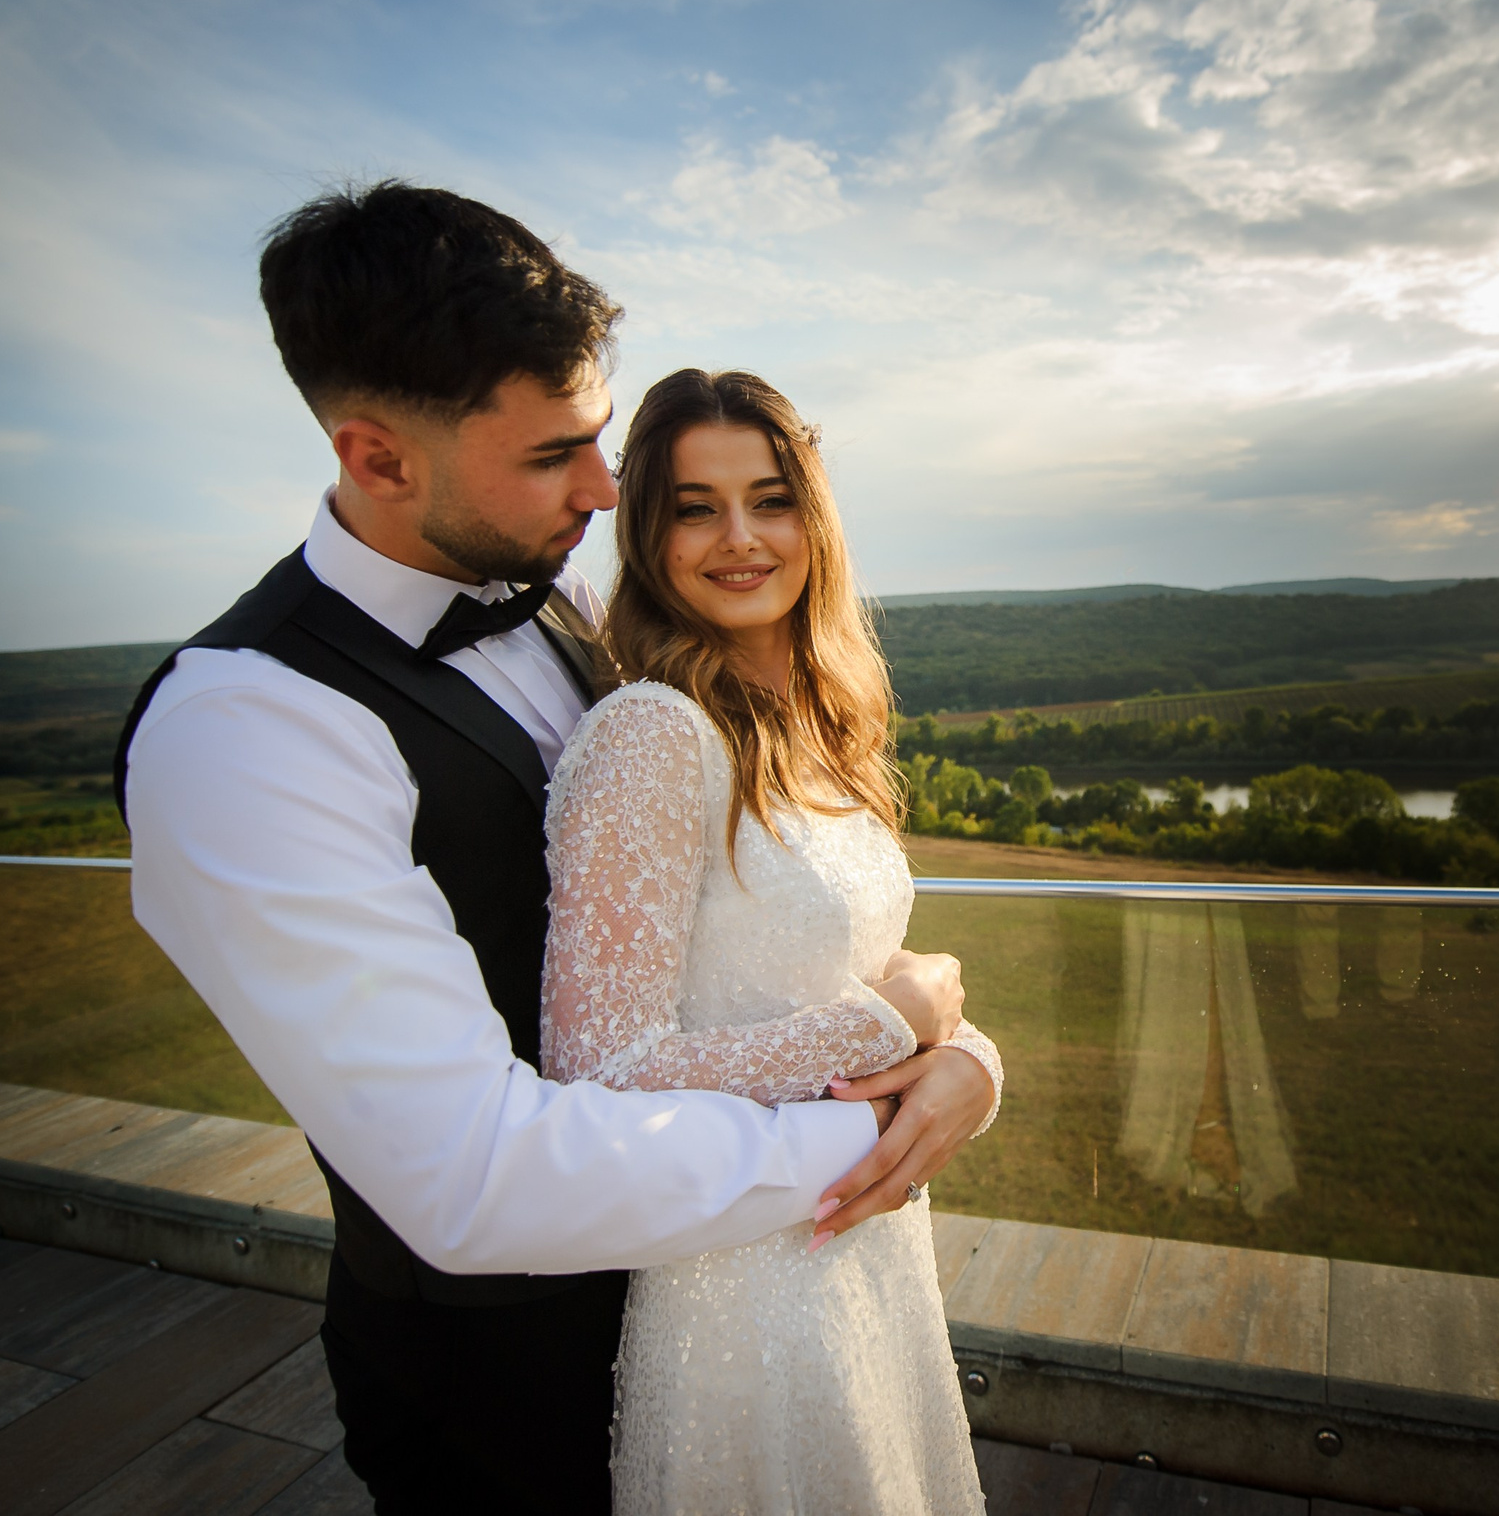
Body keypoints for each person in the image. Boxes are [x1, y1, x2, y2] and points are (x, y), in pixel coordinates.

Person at [116, 183, 995, 1511]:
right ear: (378, 458)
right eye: (552, 459)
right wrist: (882, 1099)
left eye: (597, 441)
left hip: (734, 1312)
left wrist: (958, 1069)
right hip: (503, 1392)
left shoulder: (567, 595)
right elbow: (477, 1178)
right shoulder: (246, 731)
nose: (606, 487)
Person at [545, 368, 996, 1513]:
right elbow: (598, 1073)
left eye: (771, 498)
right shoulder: (652, 734)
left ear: (816, 520)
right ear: (646, 534)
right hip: (742, 1288)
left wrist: (966, 1062)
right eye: (696, 507)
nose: (740, 538)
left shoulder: (815, 722)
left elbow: (856, 968)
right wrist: (893, 1025)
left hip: (866, 1252)